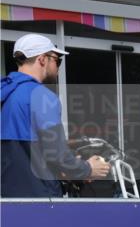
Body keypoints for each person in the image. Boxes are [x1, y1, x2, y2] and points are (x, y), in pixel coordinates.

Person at [1, 34, 109, 198]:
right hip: (40, 200)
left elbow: (27, 155)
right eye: (57, 60)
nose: (58, 66)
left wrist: (69, 170)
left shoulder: (6, 95)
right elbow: (58, 156)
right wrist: (88, 168)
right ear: (42, 59)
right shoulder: (41, 96)